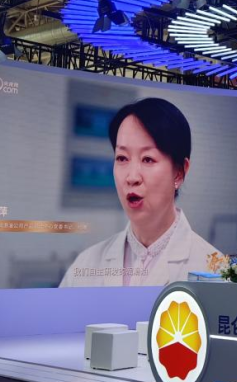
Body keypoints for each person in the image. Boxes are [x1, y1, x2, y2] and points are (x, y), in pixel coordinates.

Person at [61, 99, 221, 287]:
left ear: (179, 172)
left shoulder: (215, 271)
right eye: (122, 158)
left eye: (148, 159)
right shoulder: (86, 264)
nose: (132, 177)